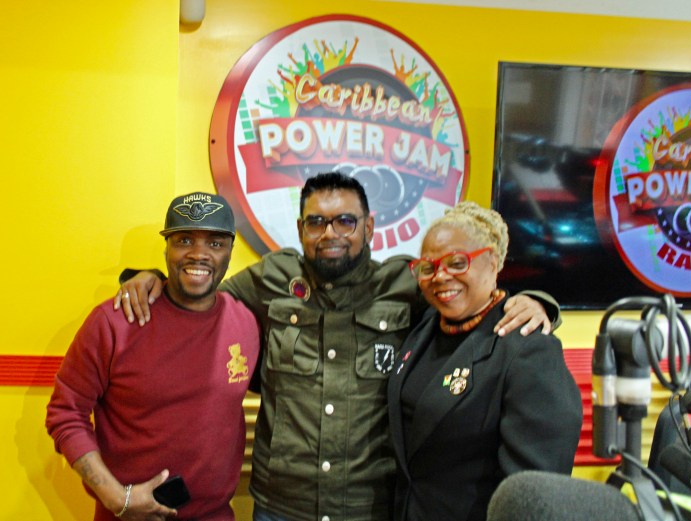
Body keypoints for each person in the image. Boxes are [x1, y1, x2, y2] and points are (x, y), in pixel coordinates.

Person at [116, 173, 562, 521]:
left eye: (345, 221)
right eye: (317, 221)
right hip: (281, 505)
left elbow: (468, 303)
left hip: (370, 506)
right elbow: (199, 300)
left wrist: (537, 302)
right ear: (300, 229)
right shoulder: (272, 277)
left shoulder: (407, 282)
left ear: (368, 227)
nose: (331, 232)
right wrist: (148, 278)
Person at [46, 192, 260, 520]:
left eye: (215, 244)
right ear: (167, 248)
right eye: (184, 240)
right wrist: (116, 497)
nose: (199, 254)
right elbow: (65, 413)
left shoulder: (245, 322)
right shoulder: (115, 321)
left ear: (231, 250)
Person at [387, 201, 583, 521]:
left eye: (457, 262)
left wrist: (541, 305)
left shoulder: (528, 351)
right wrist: (543, 300)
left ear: (492, 262)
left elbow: (533, 492)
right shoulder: (425, 324)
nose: (440, 276)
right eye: (429, 266)